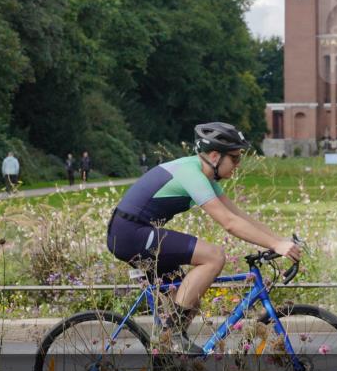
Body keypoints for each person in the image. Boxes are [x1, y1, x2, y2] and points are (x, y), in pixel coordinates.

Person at [106, 122, 301, 353]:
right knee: (214, 256)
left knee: (191, 299)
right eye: (235, 158)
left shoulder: (204, 176)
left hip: (135, 233)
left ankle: (166, 358)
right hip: (130, 234)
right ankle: (172, 336)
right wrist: (276, 245)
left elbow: (239, 216)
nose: (238, 164)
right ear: (215, 156)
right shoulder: (192, 174)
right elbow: (229, 223)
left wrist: (280, 241)